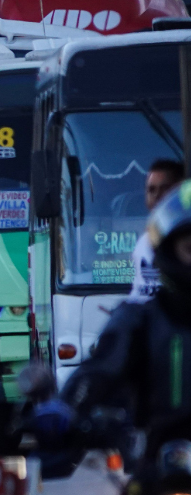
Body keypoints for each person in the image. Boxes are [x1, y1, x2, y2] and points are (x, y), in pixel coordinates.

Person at [48, 181, 191, 476]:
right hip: (158, 468)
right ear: (167, 253)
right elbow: (100, 369)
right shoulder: (141, 320)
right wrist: (64, 411)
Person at [131, 160, 185, 301]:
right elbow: (138, 293)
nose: (157, 195)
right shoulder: (143, 243)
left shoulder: (186, 243)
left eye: (165, 188)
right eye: (151, 190)